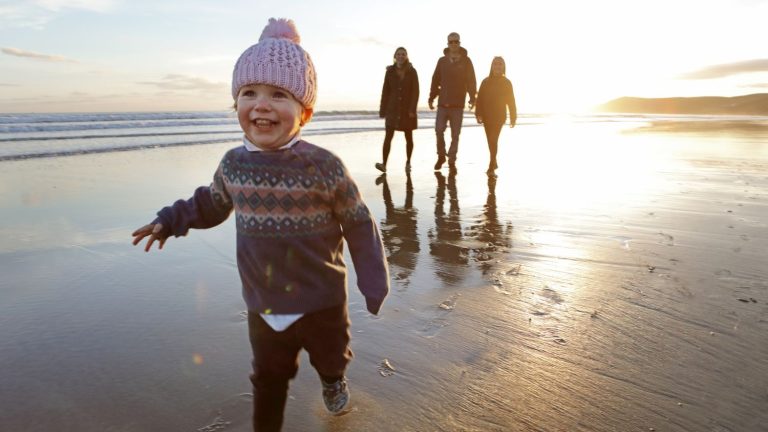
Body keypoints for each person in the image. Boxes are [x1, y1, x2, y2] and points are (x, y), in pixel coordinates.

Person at [131, 18, 389, 432]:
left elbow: (358, 223)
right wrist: (169, 220)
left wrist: (373, 279)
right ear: (236, 104)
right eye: (249, 93)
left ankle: (332, 380)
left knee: (331, 355)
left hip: (323, 298)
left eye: (279, 94)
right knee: (268, 378)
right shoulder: (234, 164)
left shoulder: (324, 166)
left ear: (304, 112)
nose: (262, 104)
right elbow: (210, 203)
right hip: (264, 303)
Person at [428, 32, 477, 172]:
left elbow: (471, 81)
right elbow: (435, 80)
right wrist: (431, 97)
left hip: (458, 105)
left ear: (459, 43)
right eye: (451, 42)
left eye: (456, 41)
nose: (454, 44)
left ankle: (452, 160)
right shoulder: (442, 61)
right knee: (438, 131)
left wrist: (472, 97)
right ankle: (441, 156)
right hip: (443, 103)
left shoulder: (466, 61)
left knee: (455, 135)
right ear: (448, 44)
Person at [376, 47, 419, 173]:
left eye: (403, 54)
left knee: (409, 137)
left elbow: (415, 91)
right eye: (398, 54)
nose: (401, 56)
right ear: (395, 56)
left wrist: (412, 109)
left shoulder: (412, 71)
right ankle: (384, 164)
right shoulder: (389, 72)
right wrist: (382, 109)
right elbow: (385, 91)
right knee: (388, 136)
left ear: (406, 56)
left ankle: (408, 162)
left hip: (407, 110)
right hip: (392, 109)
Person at [475, 56, 517, 175]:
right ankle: (494, 161)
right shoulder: (485, 81)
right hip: (487, 116)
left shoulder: (507, 82)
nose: (497, 66)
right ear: (491, 66)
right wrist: (478, 113)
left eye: (500, 64)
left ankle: (491, 166)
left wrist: (513, 117)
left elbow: (511, 101)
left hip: (499, 116)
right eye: (495, 64)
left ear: (503, 67)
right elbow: (480, 99)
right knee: (490, 141)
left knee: (493, 139)